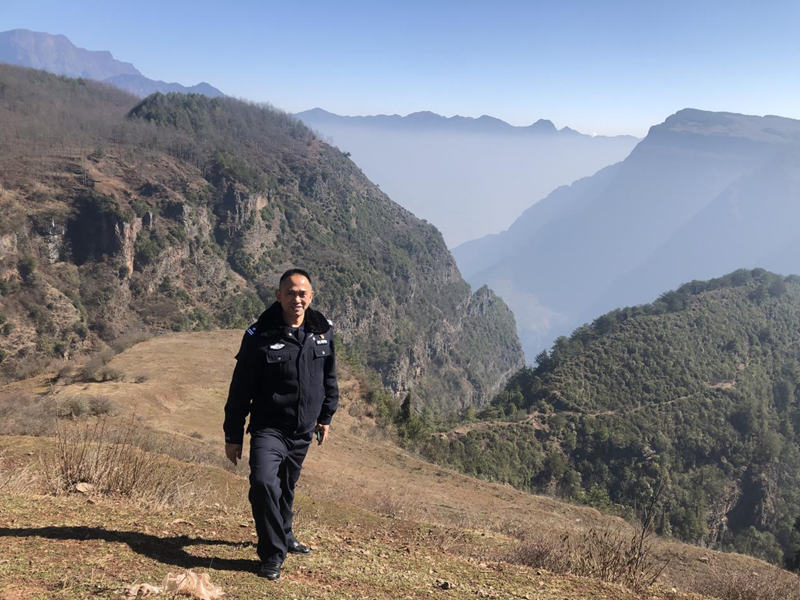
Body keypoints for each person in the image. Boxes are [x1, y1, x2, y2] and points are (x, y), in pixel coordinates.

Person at [223, 268, 338, 581]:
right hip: (269, 428)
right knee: (263, 483)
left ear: (311, 296)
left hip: (303, 429)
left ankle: (285, 535)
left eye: (302, 293)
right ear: (278, 296)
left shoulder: (323, 330)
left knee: (285, 487)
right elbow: (240, 388)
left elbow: (329, 376)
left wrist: (325, 417)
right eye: (290, 293)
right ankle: (273, 555)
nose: (296, 299)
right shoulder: (260, 335)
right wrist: (233, 434)